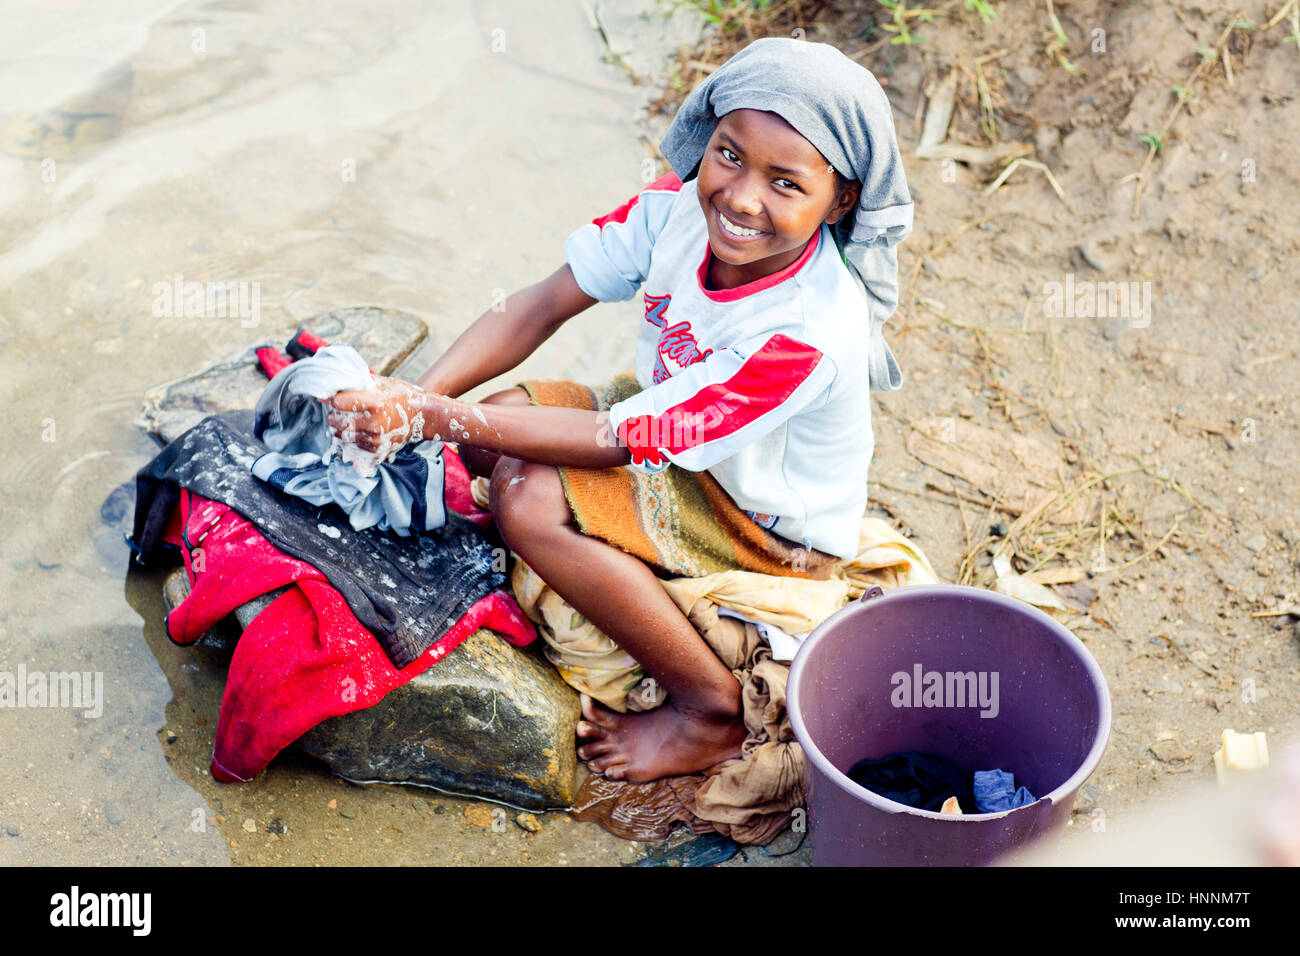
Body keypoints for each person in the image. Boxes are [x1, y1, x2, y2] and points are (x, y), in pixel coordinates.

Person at [325, 37, 914, 782]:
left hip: (760, 518)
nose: (740, 198)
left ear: (843, 201)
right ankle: (600, 565)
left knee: (526, 498)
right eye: (729, 155)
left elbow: (613, 437)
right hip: (671, 431)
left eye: (786, 183)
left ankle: (709, 709)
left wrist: (431, 419)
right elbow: (541, 304)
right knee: (494, 421)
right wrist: (420, 397)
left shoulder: (809, 333)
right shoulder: (673, 207)